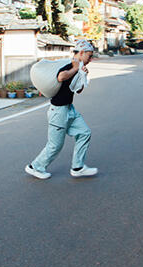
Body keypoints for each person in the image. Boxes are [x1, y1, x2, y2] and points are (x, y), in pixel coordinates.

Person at [25, 40, 97, 179]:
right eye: (89, 56)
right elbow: (61, 77)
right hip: (58, 111)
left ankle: (78, 167)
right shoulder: (70, 65)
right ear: (81, 53)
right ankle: (35, 167)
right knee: (55, 145)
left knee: (84, 133)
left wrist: (83, 75)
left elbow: (78, 90)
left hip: (69, 109)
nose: (91, 59)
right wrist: (75, 69)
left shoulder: (78, 67)